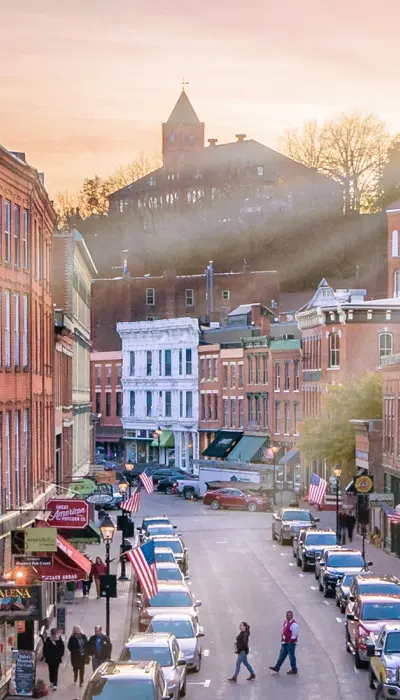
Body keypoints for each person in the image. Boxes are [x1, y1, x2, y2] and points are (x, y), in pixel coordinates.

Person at [269, 610, 299, 675]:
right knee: (282, 655)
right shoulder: (285, 621)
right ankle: (277, 667)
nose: (288, 616)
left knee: (291, 656)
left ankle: (294, 669)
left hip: (290, 643)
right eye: (287, 615)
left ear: (292, 616)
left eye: (289, 615)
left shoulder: (294, 624)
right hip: (285, 642)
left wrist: (289, 642)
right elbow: (284, 629)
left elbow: (294, 635)